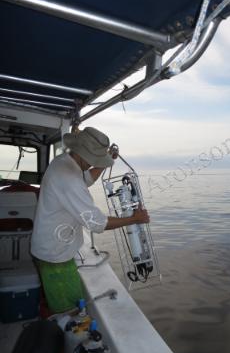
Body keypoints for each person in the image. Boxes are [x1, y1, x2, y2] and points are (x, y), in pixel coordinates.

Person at [31, 126, 149, 313]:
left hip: (55, 249)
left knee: (67, 303)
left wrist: (104, 163)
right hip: (55, 258)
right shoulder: (68, 178)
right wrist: (135, 219)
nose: (94, 163)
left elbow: (86, 178)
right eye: (94, 160)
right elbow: (97, 223)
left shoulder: (65, 162)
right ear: (82, 154)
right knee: (69, 311)